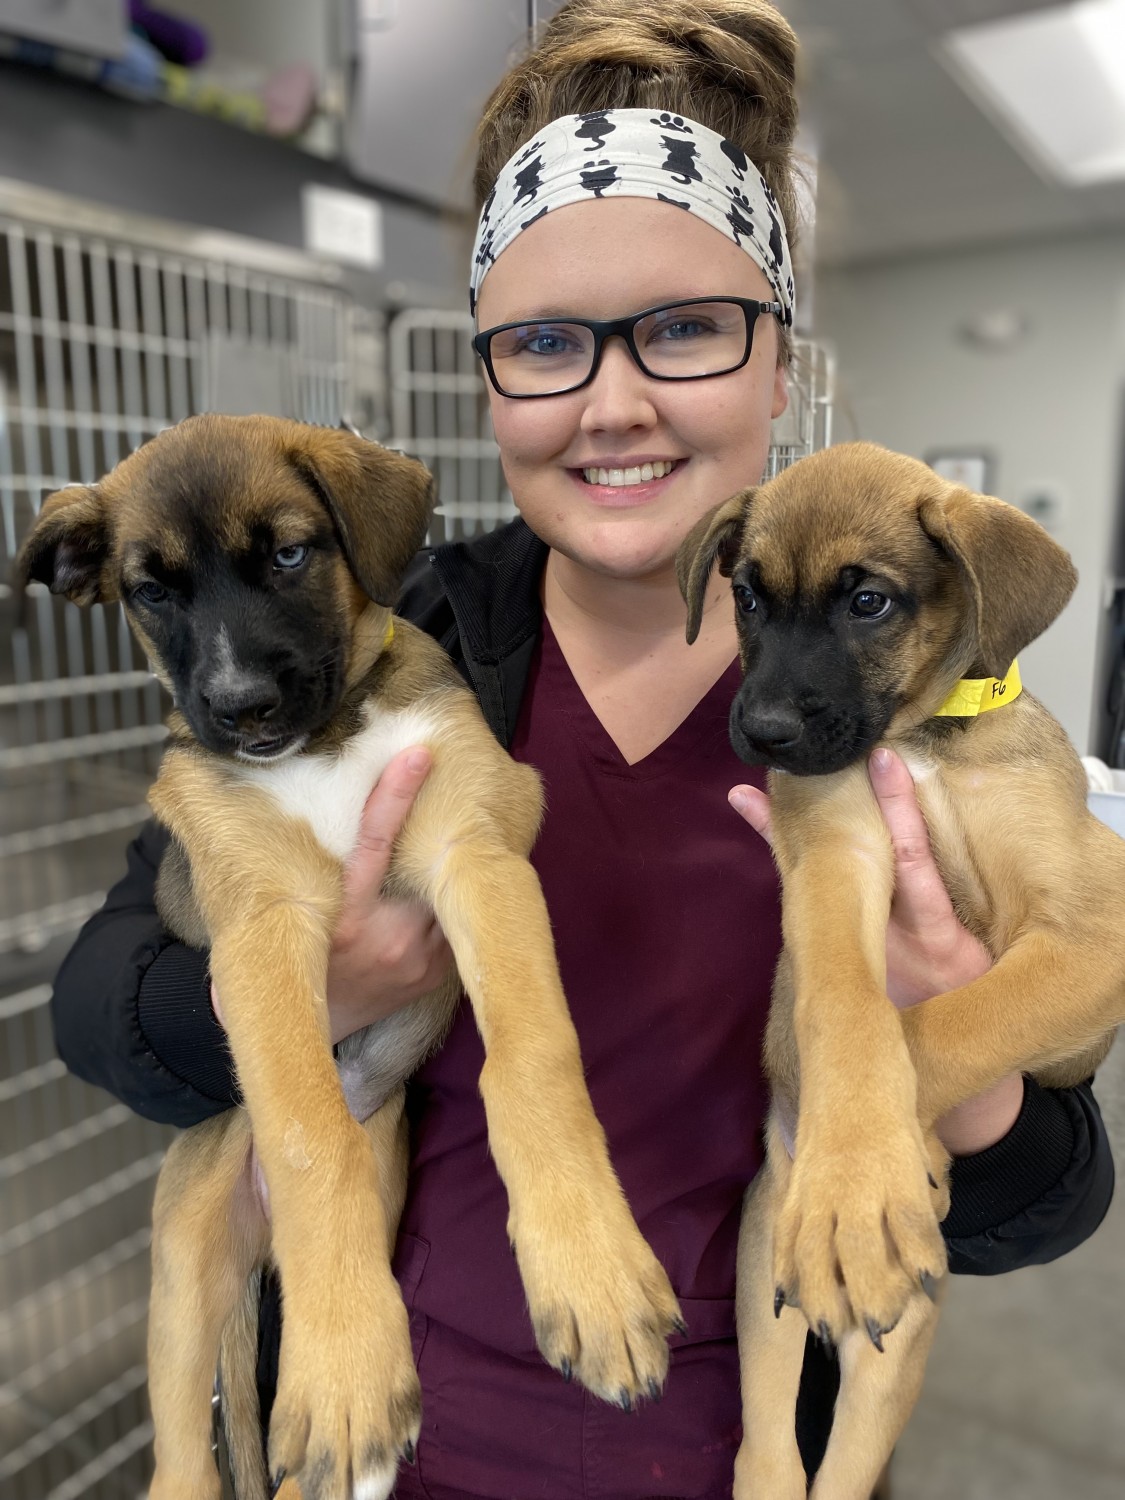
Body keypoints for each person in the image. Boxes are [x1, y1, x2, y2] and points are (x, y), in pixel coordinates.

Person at [50, 3, 1113, 1495]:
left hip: (744, 1451)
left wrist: (940, 1068)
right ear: (488, 376)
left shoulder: (895, 704)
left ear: (772, 358)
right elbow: (105, 1007)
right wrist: (333, 977)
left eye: (682, 328)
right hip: (390, 1442)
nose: (612, 404)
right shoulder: (394, 645)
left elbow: (1040, 1201)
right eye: (544, 344)